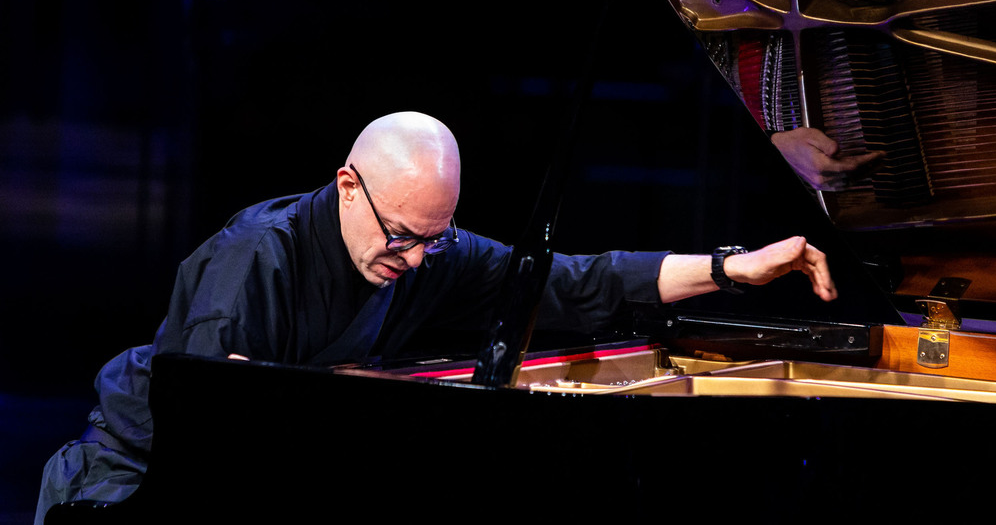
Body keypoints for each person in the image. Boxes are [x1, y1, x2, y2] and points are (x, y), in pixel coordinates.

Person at [35, 111, 837, 523]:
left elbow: (565, 283)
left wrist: (732, 268)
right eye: (403, 235)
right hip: (135, 487)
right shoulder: (255, 258)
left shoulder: (418, 248)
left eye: (435, 237)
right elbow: (218, 425)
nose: (417, 258)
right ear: (348, 185)